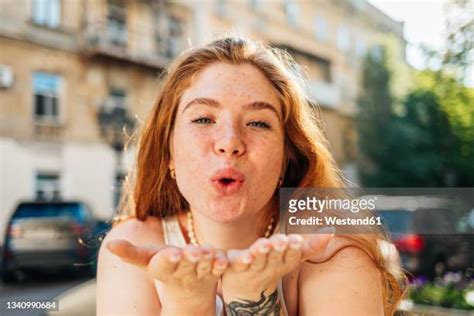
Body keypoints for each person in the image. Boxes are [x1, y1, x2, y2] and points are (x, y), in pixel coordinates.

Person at [97, 37, 407, 316]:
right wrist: (186, 305)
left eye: (258, 123)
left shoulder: (332, 249)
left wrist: (252, 298)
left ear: (287, 158)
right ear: (168, 154)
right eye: (204, 118)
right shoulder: (131, 248)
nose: (230, 142)